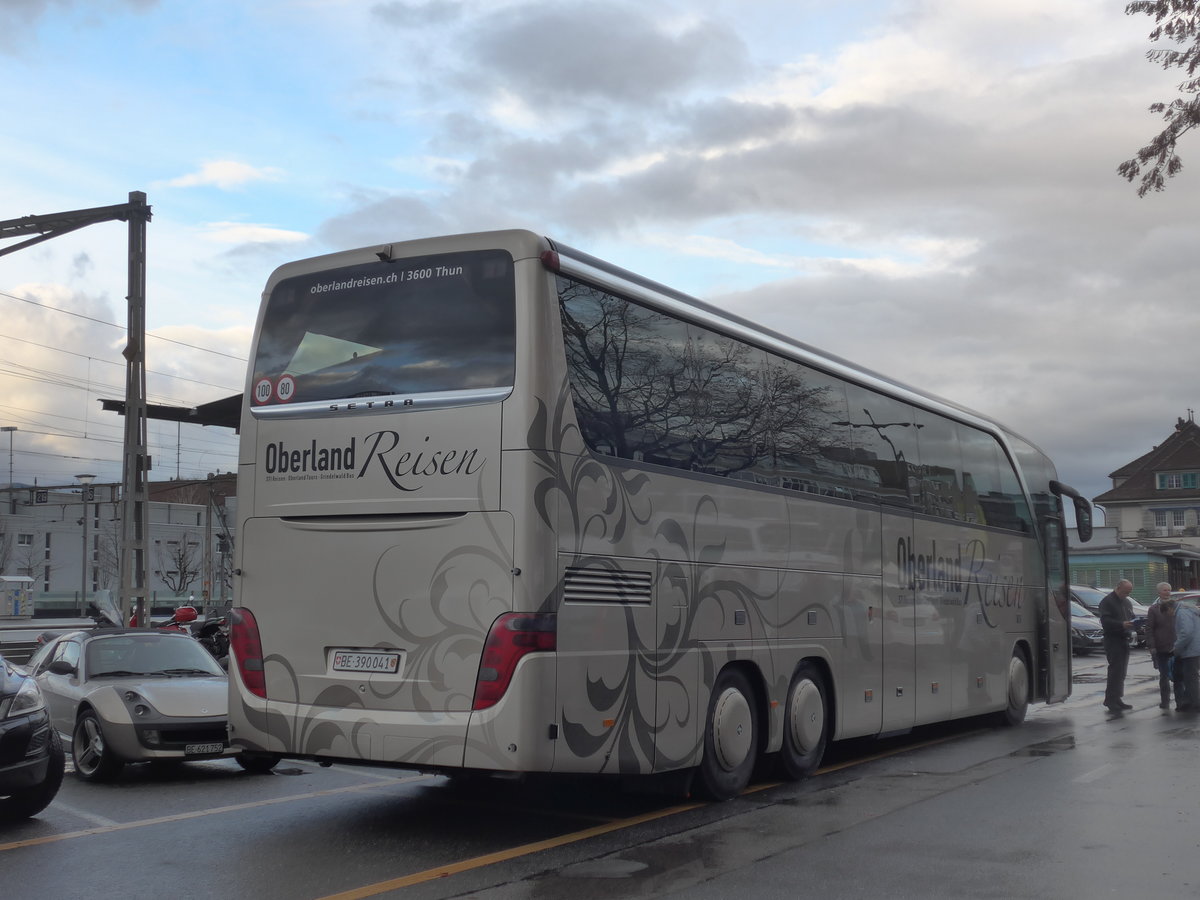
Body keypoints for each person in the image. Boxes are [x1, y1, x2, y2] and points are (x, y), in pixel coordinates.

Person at [1098, 579, 1135, 714]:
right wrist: (1121, 624)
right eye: (1125, 592)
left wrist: (1134, 623)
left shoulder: (1126, 601)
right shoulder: (1107, 602)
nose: (1127, 594)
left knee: (1122, 672)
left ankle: (1118, 697)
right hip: (1112, 639)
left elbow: (1131, 616)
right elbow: (1105, 621)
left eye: (1129, 592)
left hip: (1124, 638)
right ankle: (1110, 700)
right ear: (1118, 588)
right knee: (1115, 671)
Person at [1145, 582, 1181, 710]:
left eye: (1169, 590)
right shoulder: (1153, 609)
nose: (1167, 592)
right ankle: (1165, 701)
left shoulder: (1176, 606)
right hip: (1161, 647)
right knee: (1164, 676)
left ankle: (1180, 701)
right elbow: (1149, 629)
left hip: (1176, 646)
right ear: (1159, 592)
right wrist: (1152, 646)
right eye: (1165, 590)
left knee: (1178, 675)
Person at [1173, 598, 1200, 712]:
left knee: (1191, 678)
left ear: (1170, 609)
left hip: (1190, 650)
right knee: (1189, 677)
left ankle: (1196, 703)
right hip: (1195, 648)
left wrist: (1176, 648)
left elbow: (1186, 633)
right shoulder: (1189, 611)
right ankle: (1188, 702)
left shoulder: (1181, 612)